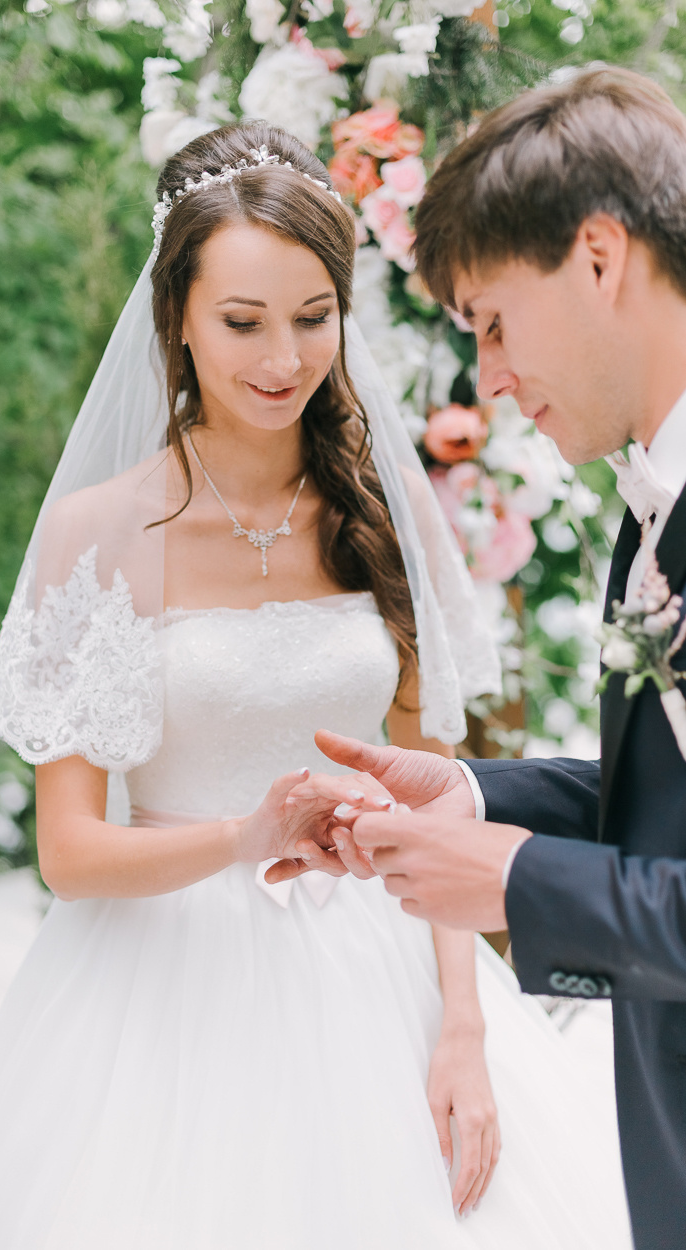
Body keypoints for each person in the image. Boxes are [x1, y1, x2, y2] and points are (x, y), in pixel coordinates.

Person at [0, 121, 631, 1250]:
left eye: (310, 316)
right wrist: (245, 835)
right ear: (176, 320)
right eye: (241, 322)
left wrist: (463, 1027)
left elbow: (433, 792)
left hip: (382, 971)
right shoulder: (98, 535)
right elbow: (69, 852)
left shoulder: (378, 518)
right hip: (155, 986)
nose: (281, 358)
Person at [299, 67, 686, 1250]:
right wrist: (467, 793)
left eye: (493, 324)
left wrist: (510, 879)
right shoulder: (647, 505)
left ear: (597, 255)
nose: (495, 381)